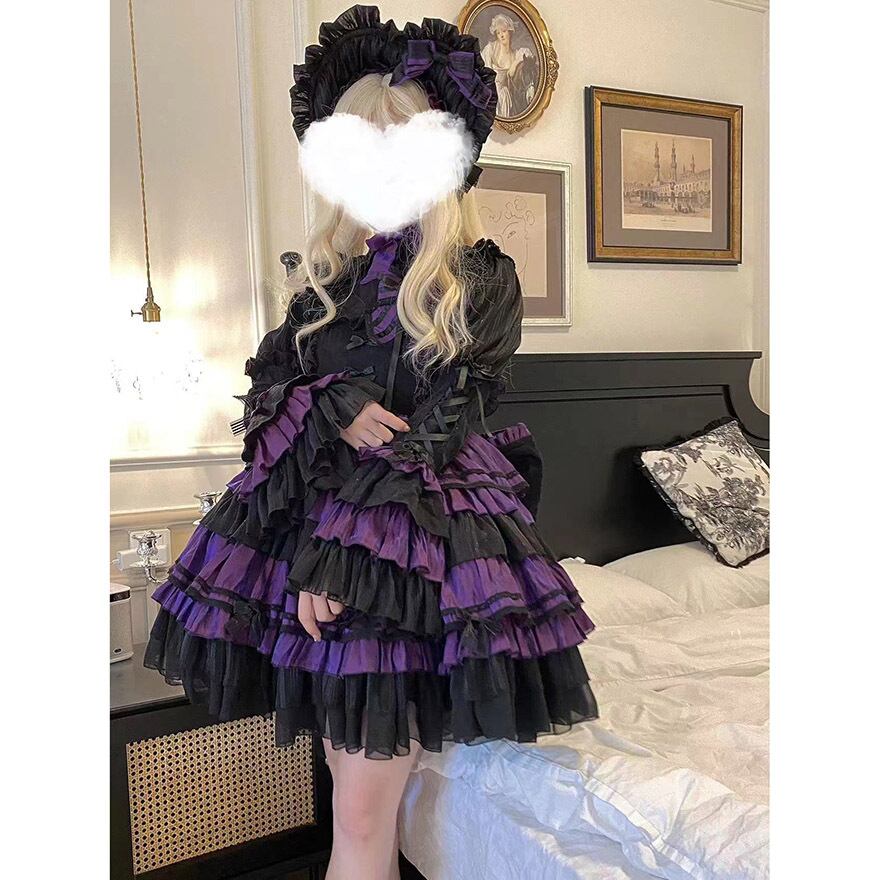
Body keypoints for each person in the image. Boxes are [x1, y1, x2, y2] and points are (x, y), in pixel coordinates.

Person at [144, 7, 597, 879]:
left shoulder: (478, 280)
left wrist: (337, 565)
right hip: (307, 546)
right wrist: (333, 402)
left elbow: (440, 431)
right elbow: (267, 397)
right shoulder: (325, 281)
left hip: (403, 551)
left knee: (357, 817)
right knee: (353, 810)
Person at [480, 12, 538, 117]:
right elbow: (483, 74)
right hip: (491, 92)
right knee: (500, 95)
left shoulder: (516, 54)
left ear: (510, 32)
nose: (501, 35)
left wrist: (515, 63)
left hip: (507, 94)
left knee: (507, 96)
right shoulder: (490, 49)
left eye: (504, 31)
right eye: (498, 33)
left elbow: (528, 58)